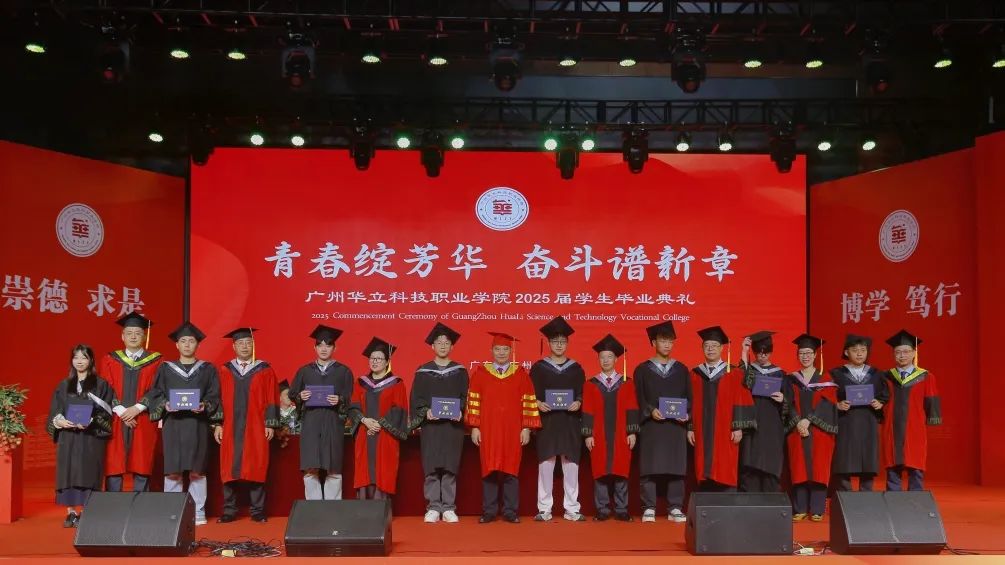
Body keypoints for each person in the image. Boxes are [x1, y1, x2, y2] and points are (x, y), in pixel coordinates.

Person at [148, 322, 221, 526]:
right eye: (183, 341)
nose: (187, 344)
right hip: (173, 425)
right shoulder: (165, 368)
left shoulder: (207, 369)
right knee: (173, 470)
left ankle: (198, 512)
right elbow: (155, 393)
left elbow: (214, 395)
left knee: (198, 470)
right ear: (177, 345)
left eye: (191, 341)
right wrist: (165, 404)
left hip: (198, 425)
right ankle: (171, 512)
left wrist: (204, 405)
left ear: (197, 345)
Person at [465, 332, 541, 523]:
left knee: (511, 470)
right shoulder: (480, 374)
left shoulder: (521, 375)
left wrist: (526, 428)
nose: (501, 353)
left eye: (505, 349)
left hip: (513, 431)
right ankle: (489, 511)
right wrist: (474, 427)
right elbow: (473, 403)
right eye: (497, 349)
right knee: (489, 470)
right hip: (488, 430)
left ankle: (510, 511)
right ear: (491, 351)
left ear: (510, 351)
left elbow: (529, 402)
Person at [215, 327, 280, 523]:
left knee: (256, 465)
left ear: (253, 345)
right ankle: (229, 510)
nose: (245, 346)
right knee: (229, 467)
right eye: (240, 343)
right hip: (230, 426)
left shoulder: (265, 370)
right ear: (233, 346)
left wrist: (270, 423)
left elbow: (272, 397)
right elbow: (217, 399)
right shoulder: (224, 370)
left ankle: (257, 510)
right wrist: (218, 424)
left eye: (248, 343)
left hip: (256, 426)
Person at [47, 344, 115, 528]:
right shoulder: (64, 385)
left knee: (88, 472)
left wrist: (91, 420)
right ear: (71, 360)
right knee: (68, 472)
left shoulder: (101, 385)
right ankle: (70, 512)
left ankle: (87, 512)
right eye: (76, 357)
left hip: (90, 438)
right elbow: (55, 410)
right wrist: (59, 421)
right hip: (68, 437)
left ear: (91, 360)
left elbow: (107, 411)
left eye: (84, 357)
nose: (79, 361)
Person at [410, 323, 469, 523]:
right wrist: (425, 411)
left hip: (452, 427)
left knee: (450, 466)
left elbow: (465, 397)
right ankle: (434, 507)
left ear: (452, 346)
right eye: (439, 342)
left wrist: (460, 411)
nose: (443, 346)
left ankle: (449, 508)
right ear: (432, 346)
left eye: (446, 342)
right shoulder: (422, 371)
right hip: (431, 427)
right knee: (432, 466)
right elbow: (416, 399)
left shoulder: (460, 371)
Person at [530, 316, 586, 522]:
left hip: (570, 422)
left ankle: (572, 508)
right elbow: (530, 393)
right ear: (548, 343)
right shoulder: (538, 368)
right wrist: (537, 403)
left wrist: (579, 402)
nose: (559, 345)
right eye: (555, 341)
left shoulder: (576, 368)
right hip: (548, 422)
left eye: (563, 341)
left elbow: (583, 393)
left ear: (567, 343)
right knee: (546, 464)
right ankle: (544, 508)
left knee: (571, 465)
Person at [634, 320, 690, 523]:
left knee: (676, 466)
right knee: (650, 466)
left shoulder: (681, 369)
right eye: (662, 341)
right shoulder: (642, 370)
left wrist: (687, 414)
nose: (667, 345)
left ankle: (675, 507)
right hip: (652, 426)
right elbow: (637, 398)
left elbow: (689, 397)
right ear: (653, 343)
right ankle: (648, 507)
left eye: (670, 341)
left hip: (676, 427)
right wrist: (650, 411)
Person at [289, 325, 354, 501]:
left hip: (333, 422)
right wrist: (301, 396)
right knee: (311, 467)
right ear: (315, 348)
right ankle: (314, 508)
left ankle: (333, 508)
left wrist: (339, 400)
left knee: (333, 467)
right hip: (311, 422)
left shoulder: (344, 371)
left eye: (328, 345)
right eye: (320, 345)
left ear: (335, 348)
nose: (324, 349)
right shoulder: (304, 371)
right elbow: (293, 394)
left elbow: (351, 398)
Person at [689, 326, 756, 492]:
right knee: (703, 466)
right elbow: (689, 403)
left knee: (725, 465)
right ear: (702, 348)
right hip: (702, 430)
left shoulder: (733, 373)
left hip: (726, 430)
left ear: (721, 348)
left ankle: (727, 499)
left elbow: (741, 399)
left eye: (714, 345)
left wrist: (738, 426)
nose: (710, 349)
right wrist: (690, 427)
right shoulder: (695, 374)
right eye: (707, 345)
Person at [102, 312, 162, 493]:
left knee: (142, 461)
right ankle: (113, 504)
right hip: (116, 417)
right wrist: (121, 411)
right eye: (129, 333)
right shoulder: (110, 359)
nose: (133, 336)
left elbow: (159, 387)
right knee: (114, 462)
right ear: (122, 336)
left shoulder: (156, 361)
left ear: (144, 336)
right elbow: (105, 387)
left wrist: (137, 408)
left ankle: (140, 503)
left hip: (142, 417)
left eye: (138, 333)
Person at [581, 334, 639, 522]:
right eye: (602, 357)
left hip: (621, 433)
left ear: (616, 359)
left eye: (609, 357)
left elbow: (632, 407)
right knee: (600, 471)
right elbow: (587, 410)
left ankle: (621, 509)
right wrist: (588, 434)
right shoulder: (591, 384)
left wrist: (631, 432)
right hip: (598, 433)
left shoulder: (627, 382)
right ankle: (603, 509)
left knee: (621, 470)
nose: (605, 360)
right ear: (598, 359)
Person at [784, 334, 837, 521]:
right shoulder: (791, 379)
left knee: (819, 467)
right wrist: (798, 421)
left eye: (808, 353)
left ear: (815, 355)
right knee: (798, 467)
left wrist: (809, 420)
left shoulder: (825, 379)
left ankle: (817, 508)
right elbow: (787, 402)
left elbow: (827, 404)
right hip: (796, 429)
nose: (805, 356)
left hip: (819, 431)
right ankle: (800, 508)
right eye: (801, 353)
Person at [348, 337, 409, 499]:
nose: (375, 362)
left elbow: (399, 410)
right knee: (364, 471)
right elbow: (353, 407)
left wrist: (379, 424)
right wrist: (365, 421)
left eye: (379, 359)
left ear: (387, 361)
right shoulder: (360, 383)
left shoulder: (397, 384)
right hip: (364, 433)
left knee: (384, 471)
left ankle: (380, 508)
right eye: (372, 358)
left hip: (385, 435)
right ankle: (363, 509)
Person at [881, 330, 942, 491]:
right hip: (891, 426)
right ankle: (893, 500)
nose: (902, 356)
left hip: (915, 427)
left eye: (906, 351)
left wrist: (933, 418)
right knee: (893, 463)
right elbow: (881, 400)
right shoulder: (886, 376)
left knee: (915, 463)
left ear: (914, 353)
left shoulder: (926, 376)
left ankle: (915, 500)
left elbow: (931, 399)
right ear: (893, 354)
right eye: (898, 352)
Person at [830, 334, 889, 492]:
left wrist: (880, 403)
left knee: (868, 460)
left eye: (863, 350)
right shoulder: (836, 374)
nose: (859, 353)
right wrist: (837, 405)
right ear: (846, 352)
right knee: (845, 460)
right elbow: (827, 397)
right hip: (846, 422)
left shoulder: (876, 374)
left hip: (868, 422)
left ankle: (866, 495)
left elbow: (885, 396)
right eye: (855, 350)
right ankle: (845, 496)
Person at [738, 331, 788, 493]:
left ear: (771, 352)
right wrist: (744, 353)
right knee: (749, 465)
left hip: (772, 427)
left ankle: (771, 501)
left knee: (770, 467)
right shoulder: (750, 370)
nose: (762, 355)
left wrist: (783, 399)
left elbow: (790, 404)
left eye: (766, 352)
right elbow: (741, 384)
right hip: (752, 425)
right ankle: (749, 502)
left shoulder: (780, 374)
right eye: (759, 352)